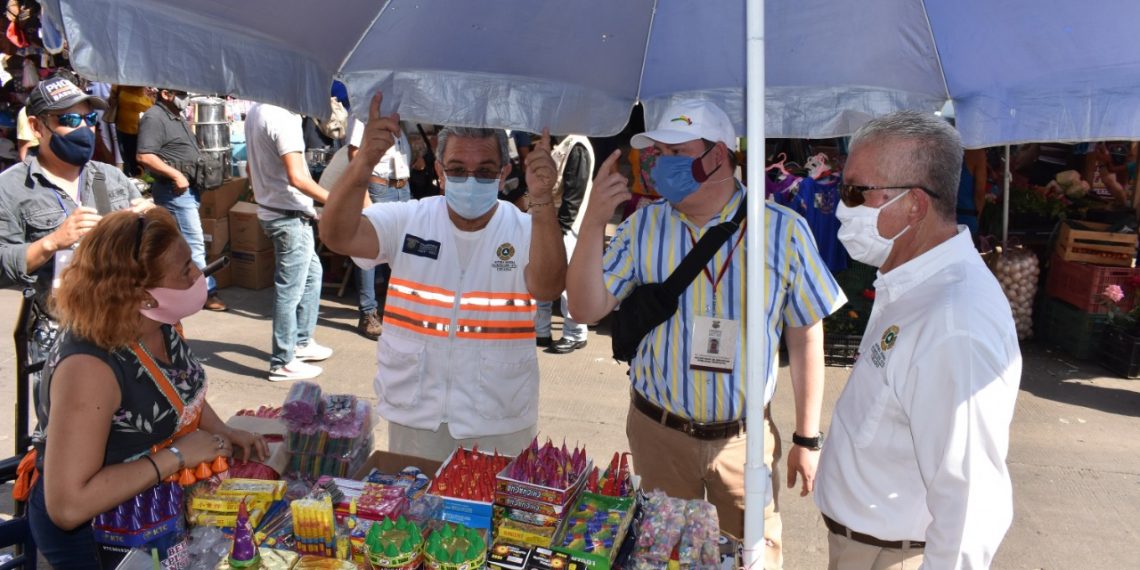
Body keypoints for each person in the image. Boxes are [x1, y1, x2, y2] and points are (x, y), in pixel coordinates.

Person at [566, 99, 845, 568]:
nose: (659, 164)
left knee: (747, 558)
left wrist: (806, 437)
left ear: (718, 155)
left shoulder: (783, 231)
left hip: (744, 442)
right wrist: (594, 219)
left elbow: (805, 337)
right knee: (659, 555)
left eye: (675, 151)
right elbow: (585, 306)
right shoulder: (642, 226)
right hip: (660, 435)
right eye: (655, 152)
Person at [814, 111, 1022, 569]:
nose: (842, 206)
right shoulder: (911, 281)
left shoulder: (953, 320)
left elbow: (971, 502)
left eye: (855, 192)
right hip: (868, 548)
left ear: (914, 205)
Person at [320, 92, 566, 461]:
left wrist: (543, 200)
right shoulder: (408, 219)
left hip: (499, 416)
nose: (471, 180)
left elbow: (548, 286)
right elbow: (337, 236)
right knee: (417, 514)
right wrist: (364, 162)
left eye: (485, 171)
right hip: (419, 414)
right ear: (438, 172)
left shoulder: (526, 228)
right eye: (456, 169)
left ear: (503, 174)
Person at [25, 208, 268, 568]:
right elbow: (68, 505)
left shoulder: (158, 322)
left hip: (151, 514)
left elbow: (179, 391)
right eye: (185, 269)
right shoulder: (89, 368)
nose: (198, 274)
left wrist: (223, 431)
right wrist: (177, 457)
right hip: (98, 538)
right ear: (143, 295)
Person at [0, 75, 151, 403]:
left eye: (89, 119)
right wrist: (53, 241)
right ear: (38, 127)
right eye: (69, 119)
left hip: (123, 325)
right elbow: (3, 263)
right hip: (59, 337)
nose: (84, 128)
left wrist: (151, 223)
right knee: (67, 437)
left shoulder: (108, 176)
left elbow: (150, 254)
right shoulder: (11, 188)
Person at [245, 102, 334, 381]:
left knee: (311, 275)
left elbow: (250, 168)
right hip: (287, 216)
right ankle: (282, 360)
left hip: (281, 212)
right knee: (290, 290)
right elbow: (297, 177)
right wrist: (335, 201)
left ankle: (302, 342)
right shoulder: (283, 118)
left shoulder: (258, 111)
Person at [137, 87, 227, 311]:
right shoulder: (154, 117)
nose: (185, 98)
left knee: (178, 243)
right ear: (166, 94)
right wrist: (175, 174)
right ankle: (207, 292)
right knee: (195, 243)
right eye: (181, 94)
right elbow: (144, 155)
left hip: (186, 190)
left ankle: (179, 288)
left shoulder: (174, 117)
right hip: (174, 191)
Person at [345, 116, 414, 340]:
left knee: (400, 248)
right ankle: (368, 312)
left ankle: (391, 308)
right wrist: (362, 193)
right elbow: (354, 154)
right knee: (368, 247)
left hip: (401, 185)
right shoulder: (363, 114)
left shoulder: (401, 116)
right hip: (379, 186)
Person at [536, 134, 593, 353]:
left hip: (566, 225)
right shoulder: (562, 142)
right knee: (541, 276)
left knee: (570, 282)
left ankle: (575, 333)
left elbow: (574, 194)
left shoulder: (577, 146)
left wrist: (561, 230)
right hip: (549, 222)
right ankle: (541, 330)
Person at [108, 85, 153, 176]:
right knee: (139, 160)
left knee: (128, 160)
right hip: (137, 130)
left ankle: (132, 178)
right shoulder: (146, 93)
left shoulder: (121, 83)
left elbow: (112, 99)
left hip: (125, 127)